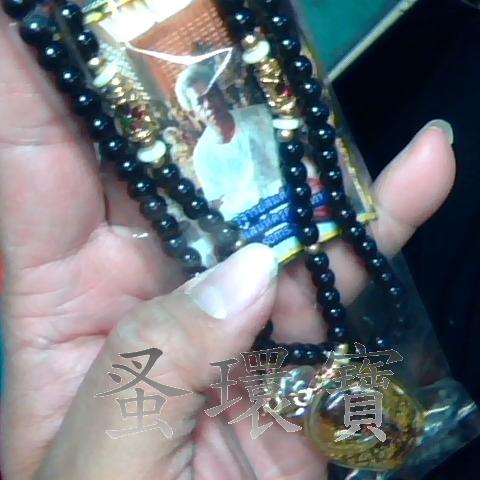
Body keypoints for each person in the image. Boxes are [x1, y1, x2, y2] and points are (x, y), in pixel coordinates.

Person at [0, 14, 456, 479]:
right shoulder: (204, 155)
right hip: (250, 271)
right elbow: (212, 207)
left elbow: (297, 166)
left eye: (209, 94)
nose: (206, 104)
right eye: (197, 101)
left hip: (305, 234)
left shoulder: (262, 122)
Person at [175, 63, 281, 218]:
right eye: (200, 102)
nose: (209, 105)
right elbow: (218, 205)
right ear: (193, 114)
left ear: (222, 95)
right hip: (254, 220)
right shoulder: (203, 155)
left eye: (212, 95)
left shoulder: (260, 116)